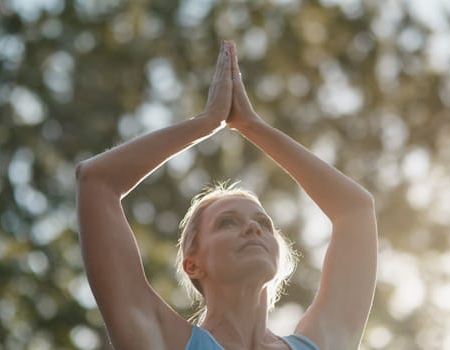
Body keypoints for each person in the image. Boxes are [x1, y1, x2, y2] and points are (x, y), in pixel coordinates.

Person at [75, 40, 378, 350]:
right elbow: (96, 180)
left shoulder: (320, 345)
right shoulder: (162, 341)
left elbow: (356, 210)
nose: (253, 227)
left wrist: (252, 124)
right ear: (192, 265)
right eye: (227, 223)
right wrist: (206, 123)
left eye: (263, 222)